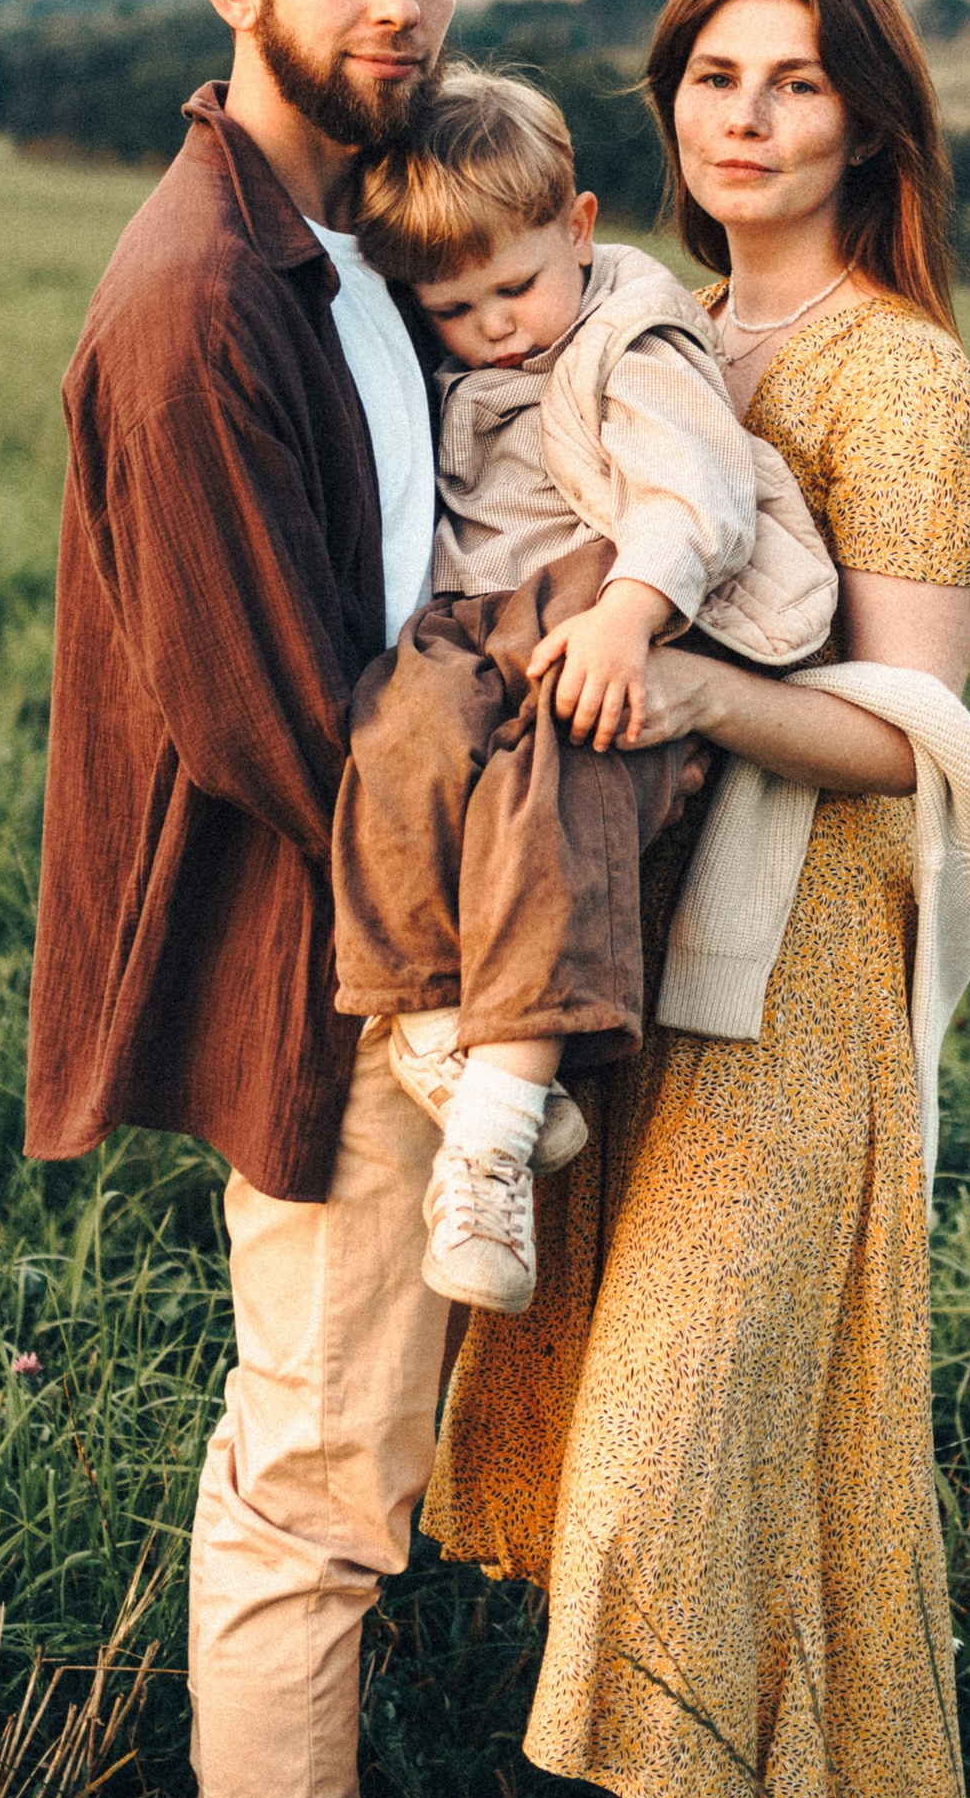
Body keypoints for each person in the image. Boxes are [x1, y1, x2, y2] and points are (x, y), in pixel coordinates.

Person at [422, 0, 970, 1798]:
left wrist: (679, 684)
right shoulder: (612, 308)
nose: (739, 115)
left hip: (781, 1000)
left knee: (681, 1458)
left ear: (866, 121)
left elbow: (909, 740)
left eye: (789, 82)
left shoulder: (900, 385)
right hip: (600, 952)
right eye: (706, 75)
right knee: (601, 1428)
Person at [24, 0, 565, 1798]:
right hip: (340, 970)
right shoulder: (193, 297)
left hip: (393, 944)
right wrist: (460, 981)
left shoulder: (328, 240)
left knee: (315, 1456)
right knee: (315, 1485)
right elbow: (284, 726)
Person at [333, 65, 836, 1314]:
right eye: (457, 309)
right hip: (475, 619)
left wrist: (630, 615)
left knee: (548, 783)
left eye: (516, 285)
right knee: (397, 733)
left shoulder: (630, 333)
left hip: (603, 595)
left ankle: (496, 1139)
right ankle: (435, 1026)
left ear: (577, 227)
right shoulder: (458, 345)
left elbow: (696, 496)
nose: (499, 325)